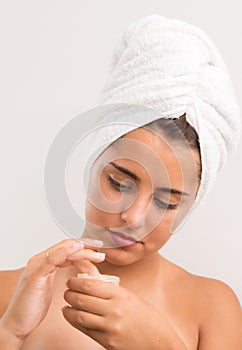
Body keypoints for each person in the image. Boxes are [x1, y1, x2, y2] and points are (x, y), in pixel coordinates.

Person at [0, 15, 242, 350]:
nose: (134, 216)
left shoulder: (213, 308)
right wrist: (10, 332)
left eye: (166, 202)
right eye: (120, 184)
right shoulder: (8, 295)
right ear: (92, 162)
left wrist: (159, 344)